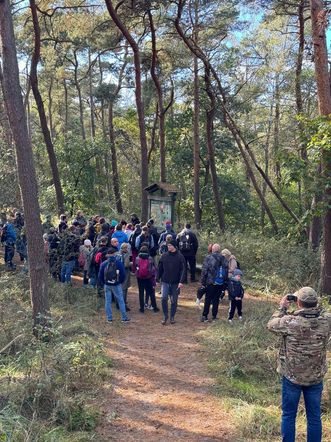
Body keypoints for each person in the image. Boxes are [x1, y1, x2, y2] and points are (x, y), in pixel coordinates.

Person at [267, 287, 331, 442]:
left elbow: (271, 324)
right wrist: (313, 306)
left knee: (289, 414)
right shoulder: (326, 321)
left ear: (299, 303)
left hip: (292, 377)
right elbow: (323, 313)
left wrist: (282, 307)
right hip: (315, 378)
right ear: (315, 303)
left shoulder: (289, 321)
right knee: (314, 417)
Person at [157, 240, 186, 325]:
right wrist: (157, 278)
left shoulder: (180, 257)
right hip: (165, 281)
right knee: (164, 298)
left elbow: (183, 270)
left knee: (174, 301)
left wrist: (181, 281)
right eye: (168, 245)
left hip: (175, 282)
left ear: (174, 246)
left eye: (170, 245)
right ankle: (165, 316)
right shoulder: (164, 256)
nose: (168, 247)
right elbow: (160, 268)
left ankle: (172, 317)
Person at [98, 246, 130, 323]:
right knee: (121, 300)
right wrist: (119, 282)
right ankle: (124, 318)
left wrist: (104, 282)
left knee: (108, 301)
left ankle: (109, 318)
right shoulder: (119, 263)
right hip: (116, 284)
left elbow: (100, 276)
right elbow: (123, 275)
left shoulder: (104, 264)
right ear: (114, 254)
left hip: (107, 284)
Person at [200, 243, 228, 322]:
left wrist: (203, 282)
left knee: (208, 298)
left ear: (212, 249)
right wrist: (225, 282)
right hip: (220, 282)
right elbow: (226, 270)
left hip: (210, 281)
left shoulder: (208, 257)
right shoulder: (223, 258)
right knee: (216, 299)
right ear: (219, 250)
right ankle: (214, 316)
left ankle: (205, 315)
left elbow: (204, 270)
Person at [135, 245, 159, 313]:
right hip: (148, 277)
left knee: (141, 292)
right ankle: (154, 307)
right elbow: (152, 268)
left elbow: (135, 267)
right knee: (151, 292)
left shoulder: (137, 258)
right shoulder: (150, 258)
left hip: (139, 277)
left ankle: (142, 308)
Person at [120, 242, 131, 311]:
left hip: (118, 273)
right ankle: (123, 305)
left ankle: (118, 304)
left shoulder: (118, 253)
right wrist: (131, 263)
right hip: (125, 273)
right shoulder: (126, 254)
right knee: (124, 289)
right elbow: (126, 265)